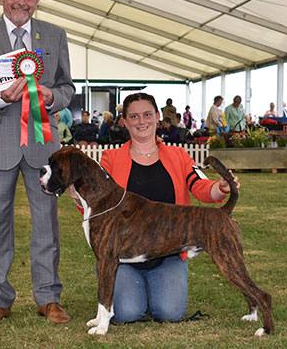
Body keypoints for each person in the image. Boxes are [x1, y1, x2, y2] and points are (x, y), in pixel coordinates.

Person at [97, 93, 240, 324]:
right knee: (126, 313)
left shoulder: (178, 155)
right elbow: (97, 203)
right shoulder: (110, 158)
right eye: (134, 116)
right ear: (125, 121)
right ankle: (131, 291)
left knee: (170, 312)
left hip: (170, 253)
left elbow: (199, 185)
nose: (141, 121)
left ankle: (149, 289)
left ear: (157, 117)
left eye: (147, 115)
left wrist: (221, 187)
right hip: (122, 256)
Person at [0, 0, 75, 326]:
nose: (21, 1)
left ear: (37, 0)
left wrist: (52, 95)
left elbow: (68, 88)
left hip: (43, 145)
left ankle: (48, 298)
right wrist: (1, 100)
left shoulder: (54, 35)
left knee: (46, 224)